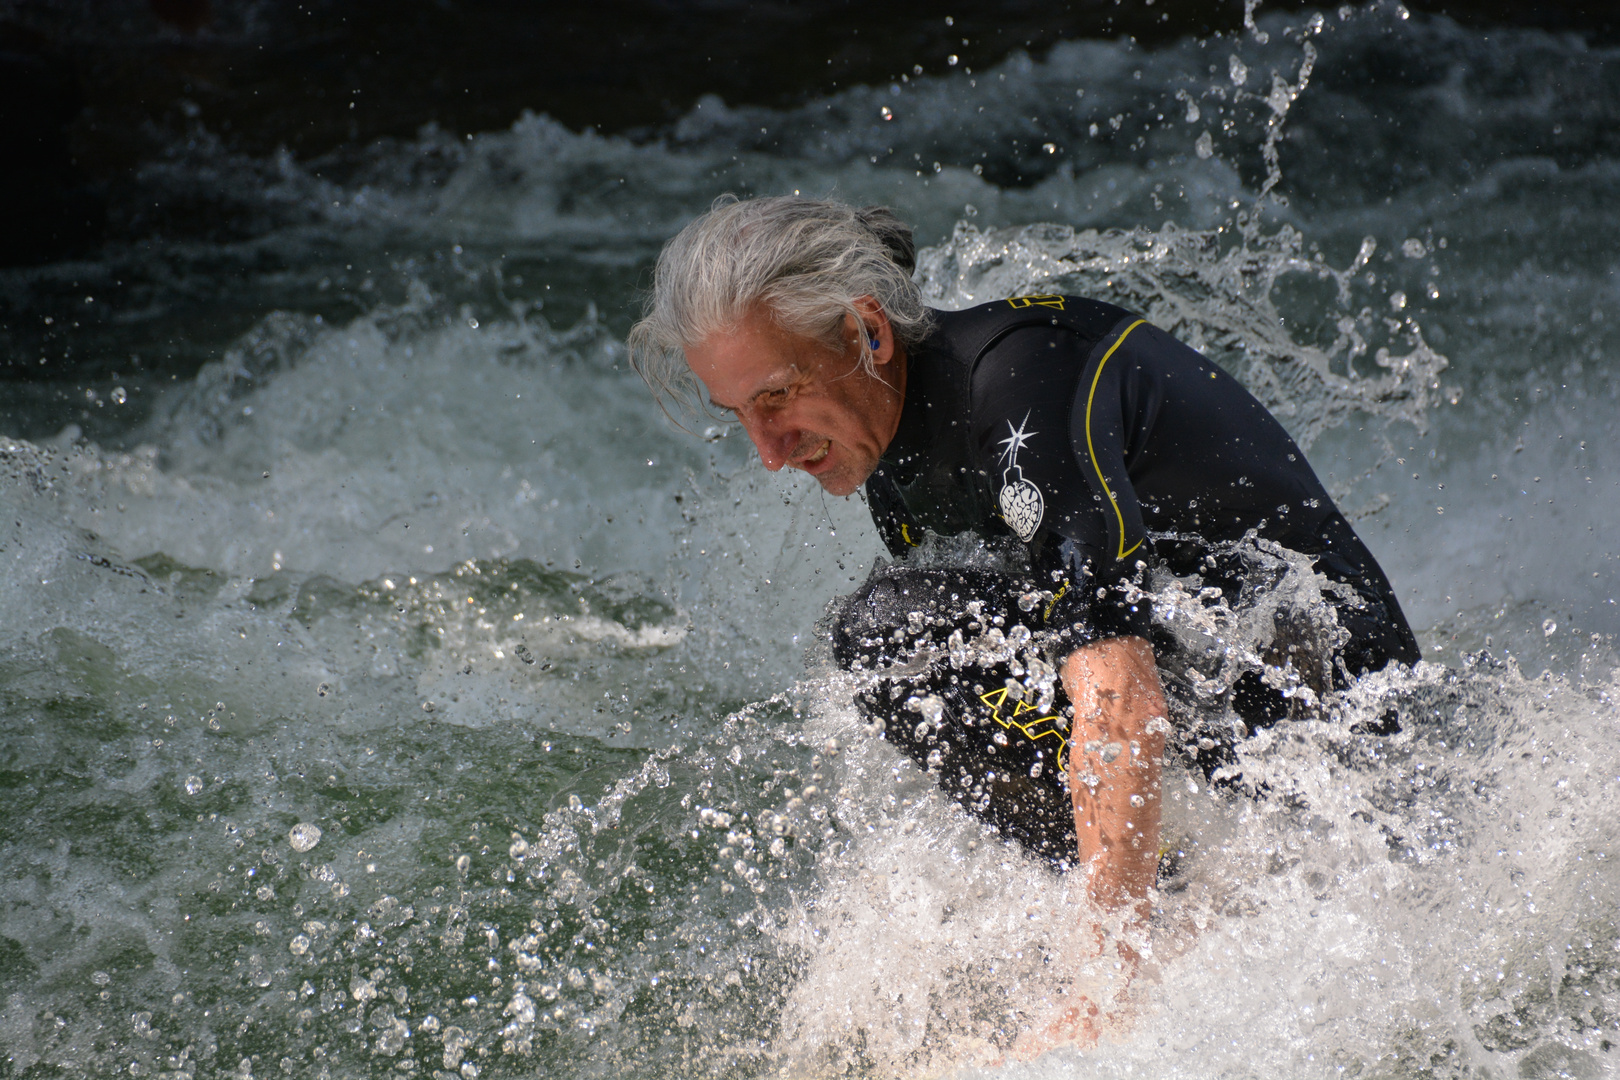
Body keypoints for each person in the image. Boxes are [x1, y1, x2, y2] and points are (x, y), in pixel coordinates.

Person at [627, 195, 1419, 1036]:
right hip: (1214, 698)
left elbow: (1120, 695)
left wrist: (1103, 996)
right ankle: (1177, 891)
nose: (769, 450)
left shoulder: (1021, 387)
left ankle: (1135, 946)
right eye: (740, 414)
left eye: (777, 395)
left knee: (888, 632)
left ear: (868, 330)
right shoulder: (890, 451)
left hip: (1336, 726)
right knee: (894, 650)